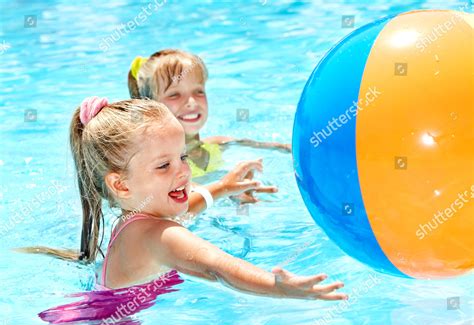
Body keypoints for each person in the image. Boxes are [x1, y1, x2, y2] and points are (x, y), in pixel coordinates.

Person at [19, 97, 346, 301]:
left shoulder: (136, 218)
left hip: (101, 309)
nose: (183, 173)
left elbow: (180, 212)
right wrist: (277, 287)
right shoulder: (163, 235)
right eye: (164, 165)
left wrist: (221, 187)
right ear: (121, 185)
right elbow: (220, 267)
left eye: (183, 157)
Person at [128, 49, 291, 183]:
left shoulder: (217, 144)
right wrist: (225, 189)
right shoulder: (161, 165)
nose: (191, 102)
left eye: (198, 91)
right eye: (174, 95)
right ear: (151, 107)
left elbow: (280, 149)